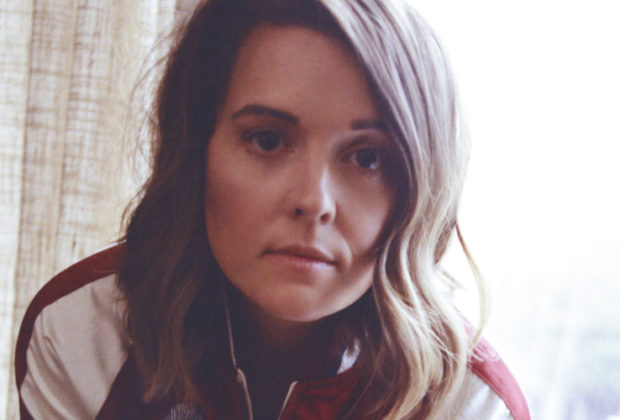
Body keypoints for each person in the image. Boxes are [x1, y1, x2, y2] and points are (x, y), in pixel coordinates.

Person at [15, 0, 530, 418]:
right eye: (267, 140)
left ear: (417, 190)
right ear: (196, 151)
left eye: (367, 158)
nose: (314, 201)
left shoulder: (471, 405)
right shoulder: (83, 334)